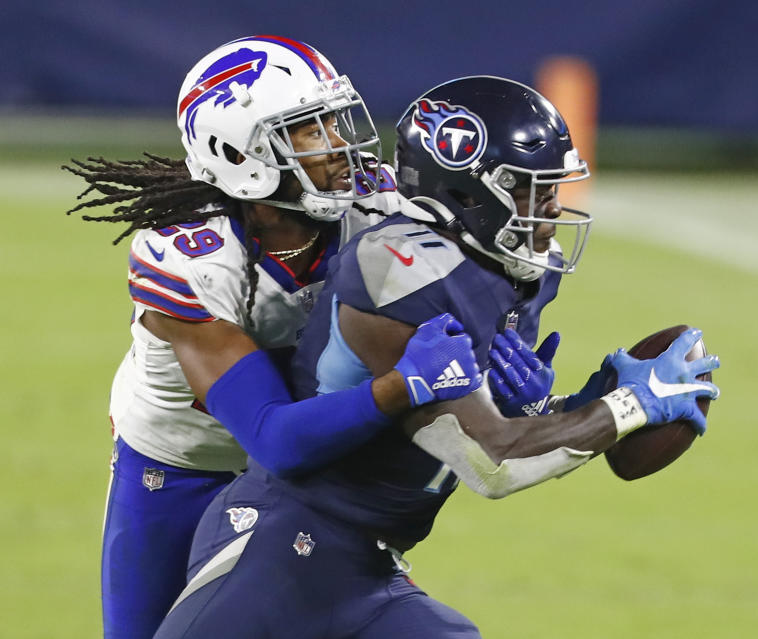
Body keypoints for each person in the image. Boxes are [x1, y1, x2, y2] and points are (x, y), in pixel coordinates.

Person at [154, 76, 720, 638]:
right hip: (278, 553)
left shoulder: (514, 269)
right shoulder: (401, 269)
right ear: (468, 190)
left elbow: (463, 423)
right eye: (532, 189)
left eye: (553, 189)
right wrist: (633, 405)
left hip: (368, 569)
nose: (551, 211)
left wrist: (564, 407)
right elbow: (492, 462)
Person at [66, 36, 489, 639]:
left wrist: (504, 365)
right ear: (241, 156)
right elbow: (272, 435)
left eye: (334, 120)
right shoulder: (193, 259)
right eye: (310, 130)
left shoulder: (377, 204)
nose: (341, 144)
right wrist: (407, 383)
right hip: (184, 469)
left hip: (309, 479)